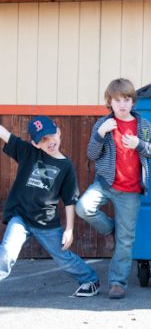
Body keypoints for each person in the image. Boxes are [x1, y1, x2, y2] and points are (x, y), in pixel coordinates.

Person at [76, 78, 151, 299]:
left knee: (126, 240)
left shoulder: (143, 126)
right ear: (110, 102)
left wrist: (139, 144)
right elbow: (91, 154)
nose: (122, 104)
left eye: (126, 99)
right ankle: (109, 230)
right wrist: (100, 133)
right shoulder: (104, 124)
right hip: (106, 184)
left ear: (133, 102)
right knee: (83, 207)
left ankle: (117, 282)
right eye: (117, 100)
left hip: (131, 190)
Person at [0, 116, 100, 297]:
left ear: (58, 131)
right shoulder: (27, 152)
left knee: (63, 257)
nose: (49, 142)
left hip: (46, 221)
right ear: (35, 143)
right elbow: (4, 133)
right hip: (21, 216)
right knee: (6, 252)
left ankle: (89, 279)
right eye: (42, 140)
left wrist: (69, 229)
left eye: (51, 135)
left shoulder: (66, 166)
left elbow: (70, 200)